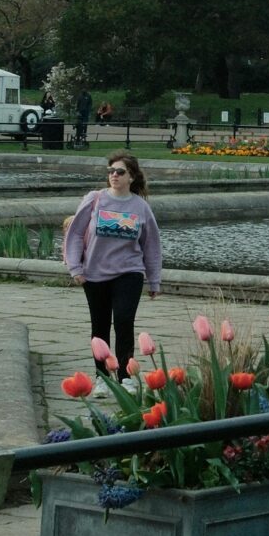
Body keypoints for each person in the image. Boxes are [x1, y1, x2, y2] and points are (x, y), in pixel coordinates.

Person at [62, 152, 162, 385]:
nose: (114, 176)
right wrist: (75, 267)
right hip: (95, 273)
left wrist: (154, 280)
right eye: (110, 171)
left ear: (132, 177)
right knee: (100, 326)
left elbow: (152, 244)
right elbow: (75, 233)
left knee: (124, 321)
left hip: (129, 272)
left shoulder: (141, 208)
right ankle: (103, 378)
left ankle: (126, 377)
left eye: (120, 172)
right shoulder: (95, 199)